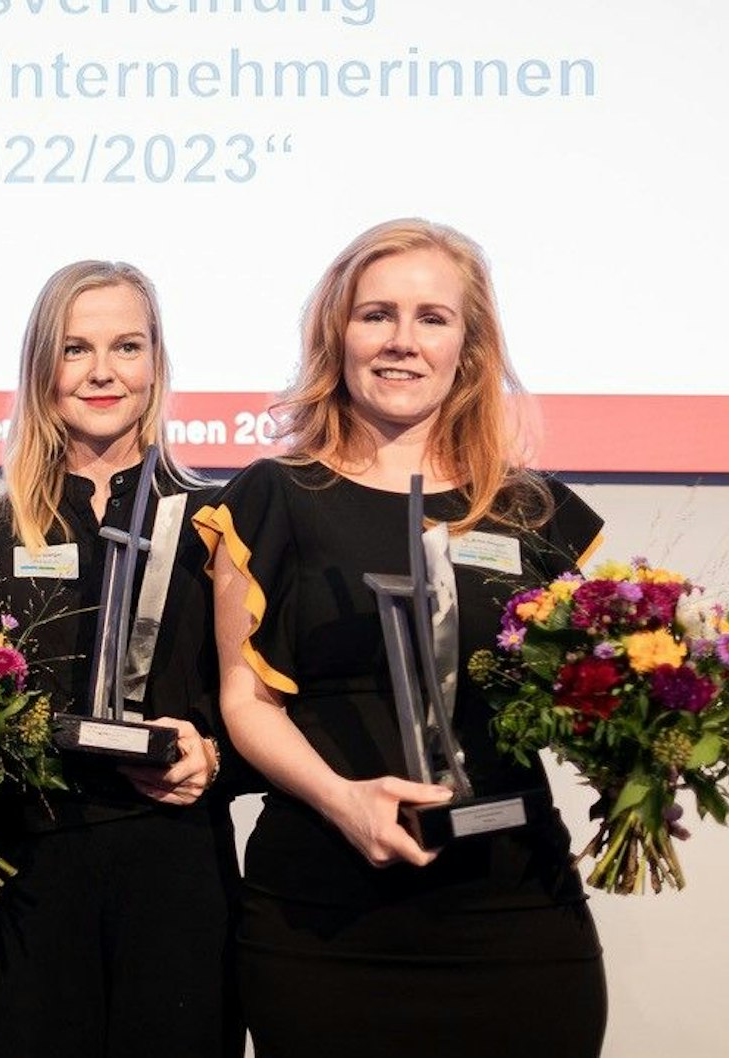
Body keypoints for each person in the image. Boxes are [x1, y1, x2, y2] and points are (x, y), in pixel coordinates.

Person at [196, 218, 609, 1057]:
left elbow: (595, 694)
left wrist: (641, 765)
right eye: (375, 314)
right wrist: (345, 801)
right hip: (324, 913)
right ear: (336, 334)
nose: (400, 341)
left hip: (512, 907)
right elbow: (246, 699)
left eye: (432, 318)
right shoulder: (271, 497)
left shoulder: (536, 512)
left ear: (471, 344)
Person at [0, 260, 242, 1058]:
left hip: (176, 869)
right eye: (75, 349)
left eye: (126, 346)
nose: (101, 372)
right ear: (41, 368)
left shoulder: (217, 523)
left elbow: (259, 708)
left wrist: (215, 759)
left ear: (157, 362)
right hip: (29, 879)